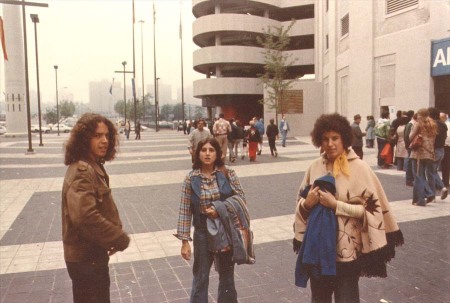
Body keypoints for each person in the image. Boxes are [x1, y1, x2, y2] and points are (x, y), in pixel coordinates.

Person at [293, 113, 404, 303]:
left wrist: (336, 205)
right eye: (325, 139)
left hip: (348, 253)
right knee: (319, 299)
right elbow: (300, 208)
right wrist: (308, 203)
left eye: (335, 138)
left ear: (344, 139)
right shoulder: (314, 167)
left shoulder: (360, 168)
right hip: (318, 250)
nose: (330, 143)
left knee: (347, 299)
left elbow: (371, 212)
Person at [62, 113, 130, 303]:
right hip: (86, 258)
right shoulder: (83, 171)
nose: (104, 141)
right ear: (84, 139)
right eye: (97, 136)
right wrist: (118, 237)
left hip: (92, 254)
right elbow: (85, 216)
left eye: (107, 136)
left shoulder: (91, 166)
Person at [175, 137, 247, 303]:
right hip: (202, 232)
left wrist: (219, 209)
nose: (207, 153)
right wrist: (184, 241)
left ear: (217, 153)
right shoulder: (191, 178)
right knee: (200, 277)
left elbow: (241, 200)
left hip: (225, 230)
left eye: (211, 150)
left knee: (227, 276)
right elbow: (185, 210)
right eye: (204, 150)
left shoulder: (227, 173)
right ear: (198, 153)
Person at [409, 108, 438, 206]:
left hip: (419, 153)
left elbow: (410, 137)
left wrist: (412, 130)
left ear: (420, 115)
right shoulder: (433, 124)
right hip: (429, 153)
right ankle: (416, 198)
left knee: (418, 176)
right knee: (423, 175)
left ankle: (426, 196)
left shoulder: (418, 124)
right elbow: (433, 140)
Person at [429, 107, 448, 200]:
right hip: (442, 150)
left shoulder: (433, 125)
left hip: (434, 150)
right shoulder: (443, 125)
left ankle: (440, 188)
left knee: (430, 172)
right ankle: (433, 193)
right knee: (433, 171)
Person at [403, 111, 415, 186]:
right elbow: (407, 136)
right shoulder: (411, 124)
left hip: (409, 146)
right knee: (410, 163)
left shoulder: (410, 124)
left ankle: (410, 179)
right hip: (410, 146)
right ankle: (409, 179)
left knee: (410, 162)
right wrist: (409, 145)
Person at [441, 112, 450, 198]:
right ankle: (446, 180)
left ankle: (444, 182)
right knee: (446, 165)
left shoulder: (445, 125)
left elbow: (447, 137)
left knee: (445, 164)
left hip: (445, 146)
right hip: (447, 146)